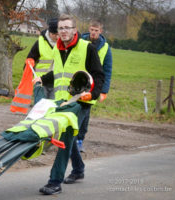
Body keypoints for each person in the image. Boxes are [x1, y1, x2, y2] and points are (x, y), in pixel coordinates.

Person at [33, 14, 104, 195]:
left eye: (67, 28)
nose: (64, 31)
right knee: (70, 139)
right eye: (61, 28)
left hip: (80, 103)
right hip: (62, 101)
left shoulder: (87, 48)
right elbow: (58, 74)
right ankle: (78, 169)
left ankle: (54, 182)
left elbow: (98, 75)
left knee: (65, 138)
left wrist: (92, 94)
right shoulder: (57, 49)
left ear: (74, 30)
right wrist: (42, 79)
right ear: (58, 32)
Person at [75, 20, 113, 153]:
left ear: (100, 31)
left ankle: (79, 140)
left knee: (85, 112)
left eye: (96, 30)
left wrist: (104, 91)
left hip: (93, 85)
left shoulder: (105, 48)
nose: (93, 33)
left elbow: (107, 71)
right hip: (79, 80)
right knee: (72, 108)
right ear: (89, 29)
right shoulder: (80, 41)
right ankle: (69, 138)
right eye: (91, 29)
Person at [26, 18, 59, 99]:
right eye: (54, 34)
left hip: (57, 82)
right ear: (49, 32)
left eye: (58, 34)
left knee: (52, 109)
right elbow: (30, 59)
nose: (57, 37)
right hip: (40, 82)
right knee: (39, 108)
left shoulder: (65, 43)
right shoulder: (40, 42)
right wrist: (27, 76)